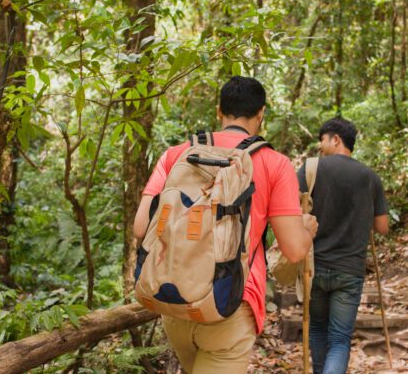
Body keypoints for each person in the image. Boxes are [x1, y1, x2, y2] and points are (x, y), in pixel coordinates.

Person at [133, 76, 318, 374]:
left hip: (176, 300)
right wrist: (307, 231)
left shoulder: (176, 155)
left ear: (219, 111)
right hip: (229, 303)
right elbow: (294, 251)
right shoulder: (274, 163)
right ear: (261, 114)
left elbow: (141, 228)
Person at [297, 117, 389, 374]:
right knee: (339, 338)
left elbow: (291, 210)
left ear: (335, 139)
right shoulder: (370, 177)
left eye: (322, 140)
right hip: (349, 270)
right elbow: (382, 227)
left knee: (317, 329)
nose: (320, 146)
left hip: (314, 266)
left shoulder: (311, 169)